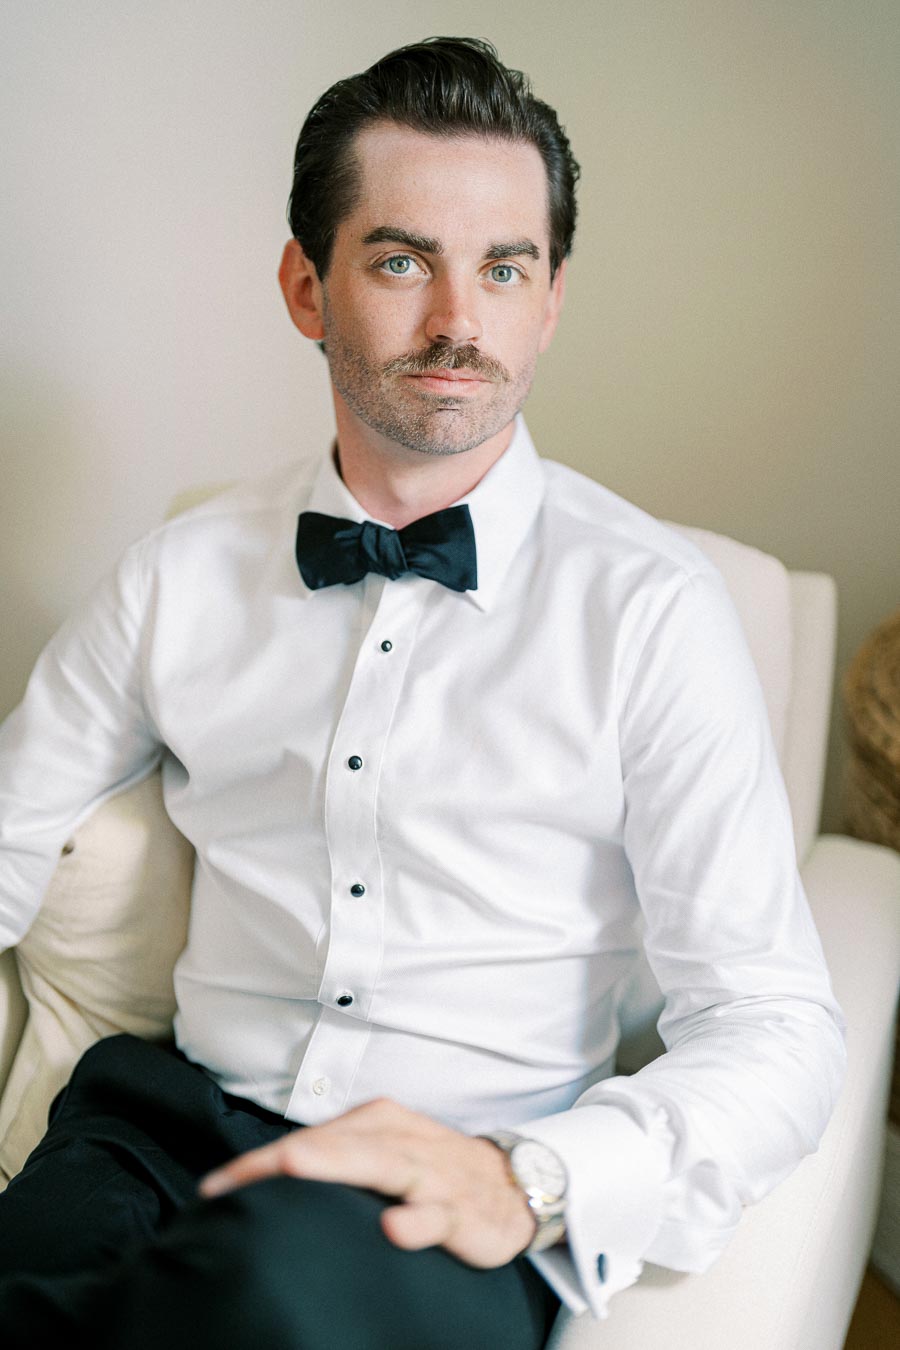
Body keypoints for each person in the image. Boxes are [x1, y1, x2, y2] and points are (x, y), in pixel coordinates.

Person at [0, 35, 845, 1350]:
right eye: (403, 261)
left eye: (505, 269)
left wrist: (532, 1181)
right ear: (307, 286)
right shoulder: (178, 575)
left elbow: (774, 1024)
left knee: (247, 1308)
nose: (461, 320)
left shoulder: (655, 610)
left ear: (550, 301)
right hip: (156, 1133)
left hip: (445, 1179)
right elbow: (12, 827)